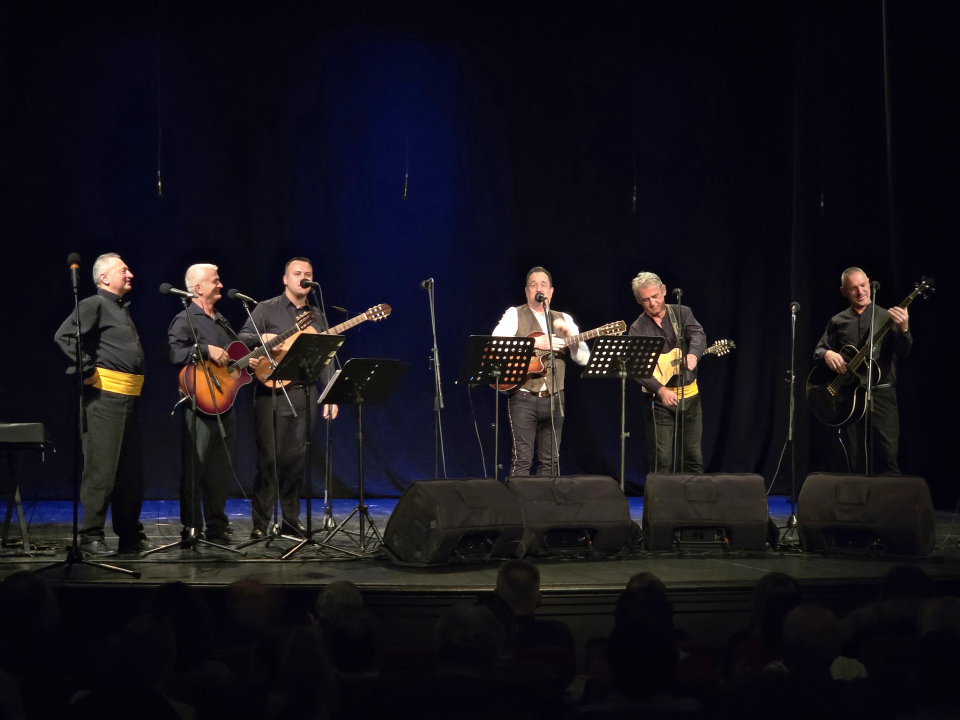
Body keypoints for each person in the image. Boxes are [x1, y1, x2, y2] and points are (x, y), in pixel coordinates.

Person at [53, 253, 153, 555]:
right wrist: (85, 369)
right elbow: (64, 336)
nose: (130, 274)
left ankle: (129, 534)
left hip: (128, 398)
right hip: (105, 398)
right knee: (101, 470)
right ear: (104, 278)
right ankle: (90, 535)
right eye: (124, 269)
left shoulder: (118, 309)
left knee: (130, 474)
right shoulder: (94, 304)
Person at [239, 257, 338, 539]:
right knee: (269, 459)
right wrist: (268, 340)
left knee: (296, 459)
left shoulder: (316, 315)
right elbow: (244, 337)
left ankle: (292, 520)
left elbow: (325, 356)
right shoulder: (266, 308)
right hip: (271, 394)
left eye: (308, 274)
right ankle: (261, 522)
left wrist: (329, 393)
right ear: (285, 279)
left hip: (304, 392)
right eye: (297, 274)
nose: (303, 278)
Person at [492, 267, 589, 477]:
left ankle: (546, 509)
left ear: (551, 291)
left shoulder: (564, 318)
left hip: (556, 398)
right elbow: (496, 344)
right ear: (527, 291)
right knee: (522, 461)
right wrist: (534, 341)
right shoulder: (514, 314)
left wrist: (570, 337)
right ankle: (520, 508)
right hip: (524, 397)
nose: (539, 288)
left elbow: (583, 358)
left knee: (551, 463)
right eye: (533, 284)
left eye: (543, 284)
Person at [814, 267, 911, 474]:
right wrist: (826, 354)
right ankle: (857, 503)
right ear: (844, 292)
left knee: (887, 454)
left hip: (881, 394)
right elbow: (819, 349)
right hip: (850, 397)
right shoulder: (838, 321)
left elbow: (902, 354)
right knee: (854, 456)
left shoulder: (887, 316)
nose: (860, 292)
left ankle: (889, 504)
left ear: (869, 283)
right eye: (854, 288)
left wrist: (904, 330)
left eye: (863, 285)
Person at [167, 263, 237, 543]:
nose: (220, 285)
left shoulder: (221, 320)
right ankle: (191, 527)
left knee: (220, 472)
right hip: (199, 404)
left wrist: (248, 360)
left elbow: (232, 359)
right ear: (197, 288)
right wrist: (205, 349)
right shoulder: (185, 319)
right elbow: (174, 353)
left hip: (225, 404)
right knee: (195, 471)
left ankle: (217, 526)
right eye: (215, 281)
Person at [627, 272, 706, 474]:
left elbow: (697, 334)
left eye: (655, 296)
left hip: (690, 397)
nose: (652, 303)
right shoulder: (638, 328)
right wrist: (660, 390)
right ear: (639, 300)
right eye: (646, 299)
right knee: (661, 460)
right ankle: (659, 504)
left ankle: (693, 503)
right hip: (659, 401)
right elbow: (637, 368)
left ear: (663, 290)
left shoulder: (682, 313)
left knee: (693, 456)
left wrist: (694, 355)